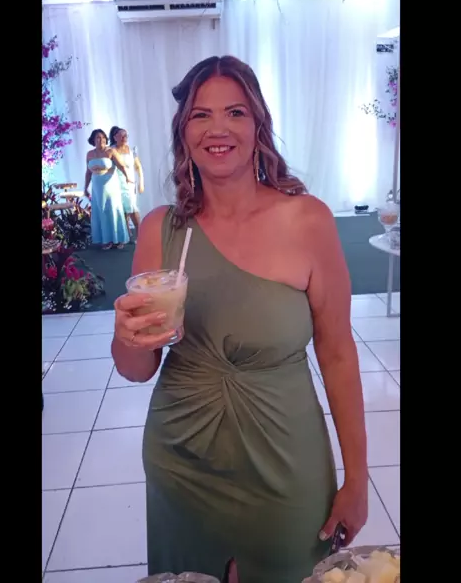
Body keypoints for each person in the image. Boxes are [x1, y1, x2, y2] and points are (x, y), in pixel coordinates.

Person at [111, 56, 368, 583]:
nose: (218, 128)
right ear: (184, 132)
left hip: (286, 460)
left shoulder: (307, 220)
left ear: (258, 126)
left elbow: (339, 354)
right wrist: (127, 338)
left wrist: (358, 478)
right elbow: (137, 369)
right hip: (182, 461)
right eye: (200, 115)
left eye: (235, 112)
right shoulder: (161, 230)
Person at [84, 129, 131, 250]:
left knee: (113, 210)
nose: (101, 140)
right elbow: (88, 173)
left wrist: (127, 177)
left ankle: (119, 239)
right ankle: (106, 240)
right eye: (98, 137)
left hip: (110, 186)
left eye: (103, 137)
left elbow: (121, 166)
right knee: (101, 211)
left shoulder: (110, 151)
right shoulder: (89, 154)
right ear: (93, 140)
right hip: (97, 187)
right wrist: (85, 188)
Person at [109, 126, 144, 242]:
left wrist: (141, 182)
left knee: (133, 208)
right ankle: (126, 235)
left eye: (126, 136)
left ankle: (140, 236)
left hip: (129, 184)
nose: (124, 138)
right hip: (116, 183)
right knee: (122, 210)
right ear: (115, 137)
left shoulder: (131, 150)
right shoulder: (111, 150)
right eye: (121, 136)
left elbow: (138, 166)